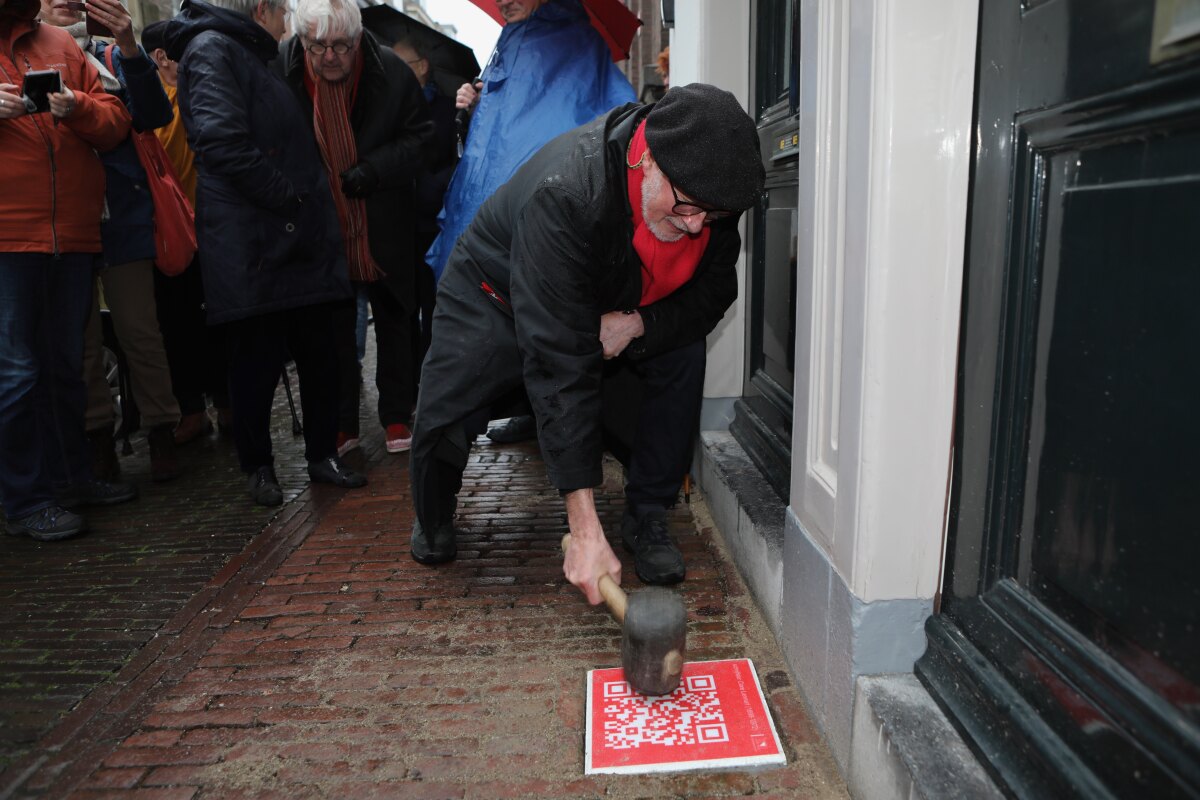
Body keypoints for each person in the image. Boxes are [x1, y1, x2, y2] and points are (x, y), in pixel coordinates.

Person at [409, 84, 765, 603]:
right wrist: (582, 527)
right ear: (647, 158)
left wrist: (637, 323)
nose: (695, 226)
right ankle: (434, 512)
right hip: (496, 292)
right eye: (686, 207)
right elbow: (559, 361)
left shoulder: (709, 192)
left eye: (707, 216)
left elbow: (714, 291)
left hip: (612, 297)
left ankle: (647, 515)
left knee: (681, 346)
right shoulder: (567, 192)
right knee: (448, 408)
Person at [163, 0, 368, 506]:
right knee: (254, 360)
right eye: (285, 10)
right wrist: (288, 196)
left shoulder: (253, 53)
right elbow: (221, 141)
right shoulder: (213, 49)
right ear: (261, 9)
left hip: (290, 235)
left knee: (320, 352)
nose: (288, 21)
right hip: (253, 238)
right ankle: (258, 467)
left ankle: (322, 455)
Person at [429, 0, 636, 445]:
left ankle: (550, 425)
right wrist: (479, 104)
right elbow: (506, 132)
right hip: (520, 213)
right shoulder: (517, 40)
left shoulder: (562, 39)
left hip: (536, 211)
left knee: (537, 313)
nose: (505, 1)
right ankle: (532, 413)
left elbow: (554, 125)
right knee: (526, 315)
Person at [273, 0, 433, 459]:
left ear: (358, 40)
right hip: (321, 222)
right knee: (332, 330)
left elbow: (421, 140)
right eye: (318, 46)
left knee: (394, 318)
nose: (329, 56)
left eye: (341, 46)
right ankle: (343, 424)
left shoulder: (393, 75)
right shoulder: (281, 75)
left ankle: (397, 413)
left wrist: (374, 169)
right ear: (302, 41)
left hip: (382, 217)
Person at [1, 0, 133, 539]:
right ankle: (26, 500)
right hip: (8, 239)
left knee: (63, 368)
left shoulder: (61, 44)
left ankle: (70, 480)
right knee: (15, 375)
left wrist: (76, 103)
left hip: (70, 236)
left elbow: (116, 122)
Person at [38, 0, 184, 484]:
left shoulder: (110, 55)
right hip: (61, 218)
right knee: (79, 338)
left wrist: (129, 46)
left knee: (140, 330)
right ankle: (97, 440)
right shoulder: (24, 60)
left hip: (122, 218)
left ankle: (162, 431)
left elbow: (155, 114)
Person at [142, 20, 233, 446]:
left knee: (221, 320)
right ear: (162, 58)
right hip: (172, 230)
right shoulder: (153, 101)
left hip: (215, 224)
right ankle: (192, 409)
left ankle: (228, 402)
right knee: (177, 324)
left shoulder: (205, 89)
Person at [393, 35, 455, 373]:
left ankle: (431, 374)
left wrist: (432, 185)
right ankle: (408, 378)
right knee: (403, 307)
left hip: (434, 222)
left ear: (422, 67)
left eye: (402, 65)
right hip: (399, 222)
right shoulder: (390, 110)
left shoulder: (446, 109)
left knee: (434, 305)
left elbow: (457, 161)